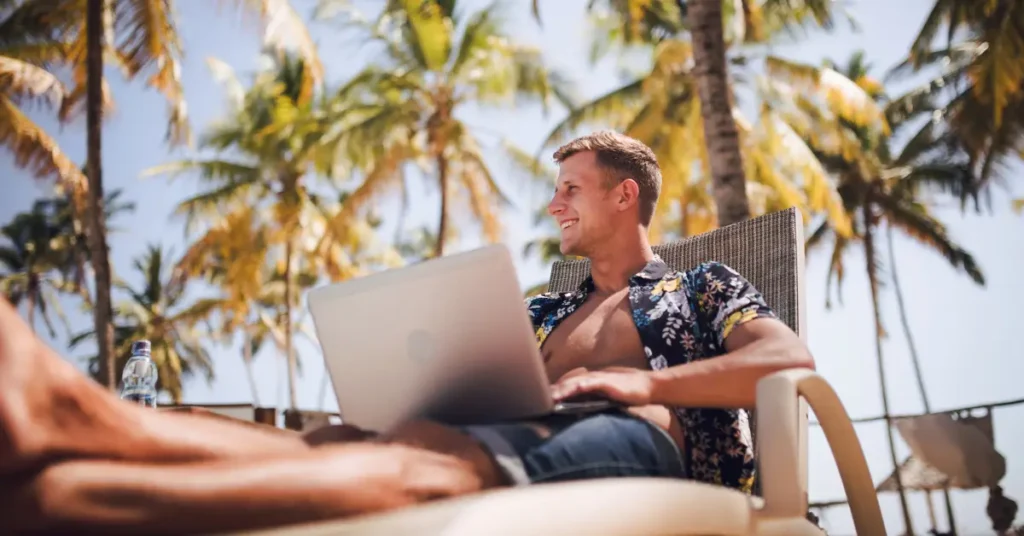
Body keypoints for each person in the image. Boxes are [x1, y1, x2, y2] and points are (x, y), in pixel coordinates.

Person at [0, 131, 814, 534]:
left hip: (645, 441)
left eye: (570, 188)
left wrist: (646, 382)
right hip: (508, 432)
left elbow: (786, 357)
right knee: (341, 438)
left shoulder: (698, 286)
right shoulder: (539, 311)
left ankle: (70, 492)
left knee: (437, 460)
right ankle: (83, 430)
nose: (554, 204)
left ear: (625, 195)